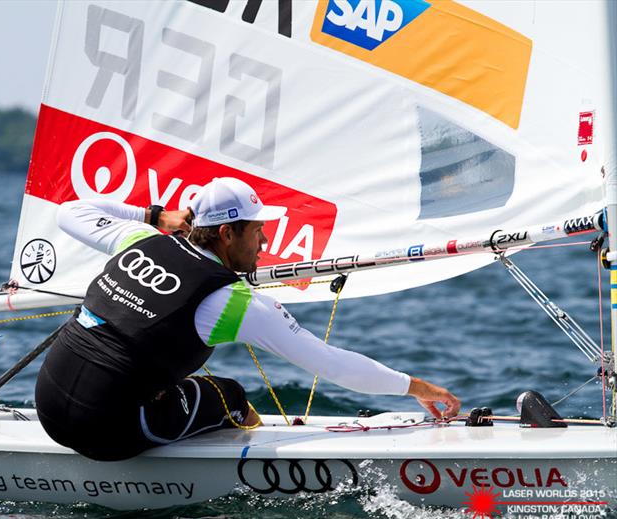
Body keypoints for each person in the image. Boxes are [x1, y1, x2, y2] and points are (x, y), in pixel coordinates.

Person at [35, 177, 460, 461]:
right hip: (105, 434)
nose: (265, 240)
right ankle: (242, 467)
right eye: (257, 230)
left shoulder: (139, 238)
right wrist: (417, 388)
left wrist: (153, 215)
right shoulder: (233, 301)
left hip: (47, 401)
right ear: (227, 234)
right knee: (229, 395)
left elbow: (69, 212)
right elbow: (332, 363)